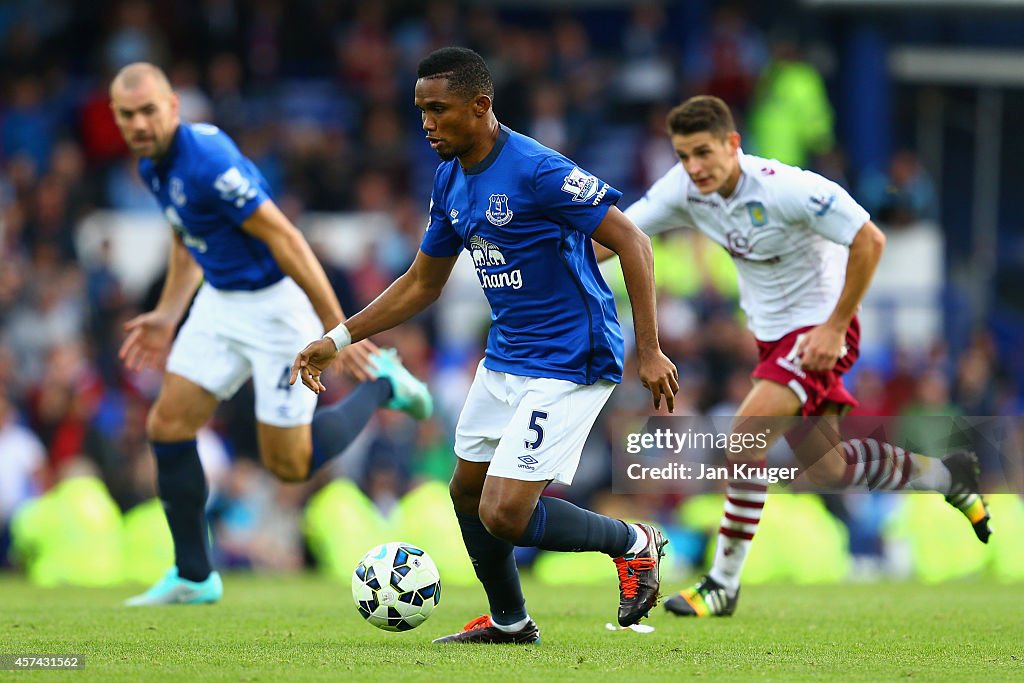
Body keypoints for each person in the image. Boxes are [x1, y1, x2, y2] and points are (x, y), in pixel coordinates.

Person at [291, 47, 679, 643]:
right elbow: (423, 283)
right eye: (420, 110)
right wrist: (338, 337)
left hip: (573, 356)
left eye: (438, 110)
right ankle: (509, 622)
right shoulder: (450, 179)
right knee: (466, 492)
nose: (426, 124)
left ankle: (634, 542)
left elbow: (634, 242)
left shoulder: (537, 169)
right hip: (508, 354)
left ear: (481, 105)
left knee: (505, 512)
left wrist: (648, 349)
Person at [599, 95, 991, 617]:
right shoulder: (684, 189)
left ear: (733, 144)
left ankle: (722, 582)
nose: (693, 167)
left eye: (703, 153)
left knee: (742, 440)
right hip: (772, 339)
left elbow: (870, 240)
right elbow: (619, 236)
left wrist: (832, 326)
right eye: (683, 155)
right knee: (829, 468)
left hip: (820, 333)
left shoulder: (789, 188)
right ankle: (946, 476)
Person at [110, 63, 433, 606]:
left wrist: (340, 333)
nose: (139, 123)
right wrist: (169, 312)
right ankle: (194, 575)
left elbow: (287, 239)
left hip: (276, 310)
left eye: (148, 111)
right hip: (219, 302)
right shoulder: (153, 164)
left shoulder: (208, 160)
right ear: (118, 119)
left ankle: (383, 382)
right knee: (167, 425)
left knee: (287, 464)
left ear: (172, 108)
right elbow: (187, 232)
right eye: (128, 114)